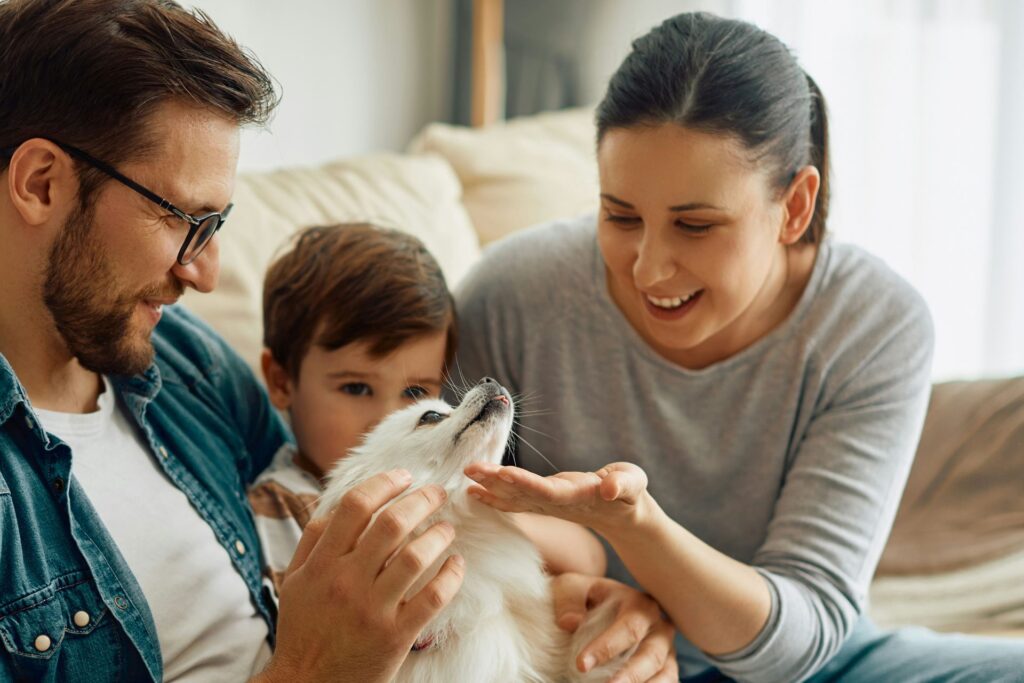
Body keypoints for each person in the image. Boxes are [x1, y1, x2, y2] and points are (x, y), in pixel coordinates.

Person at [0, 1, 677, 681]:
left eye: (216, 226)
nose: (204, 273)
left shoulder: (183, 363)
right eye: (183, 219)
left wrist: (566, 606)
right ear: (41, 183)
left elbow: (339, 490)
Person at [454, 11, 1024, 683]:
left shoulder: (874, 324)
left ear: (795, 206)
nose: (648, 269)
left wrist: (637, 527)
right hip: (586, 653)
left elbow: (800, 640)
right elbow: (446, 522)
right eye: (621, 215)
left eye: (696, 225)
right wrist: (572, 598)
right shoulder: (512, 295)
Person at [249, 223, 606, 594]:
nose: (388, 418)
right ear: (281, 382)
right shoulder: (285, 505)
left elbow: (589, 558)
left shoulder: (467, 487)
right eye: (356, 388)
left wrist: (477, 511)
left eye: (415, 392)